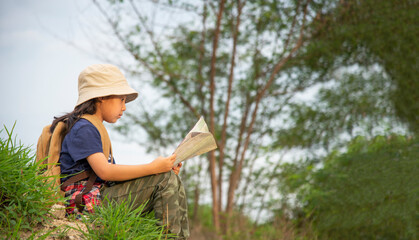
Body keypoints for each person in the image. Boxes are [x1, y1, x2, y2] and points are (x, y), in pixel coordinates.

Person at [50, 64, 189, 239]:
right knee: (164, 180)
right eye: (121, 100)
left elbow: (108, 178)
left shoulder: (93, 127)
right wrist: (154, 169)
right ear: (101, 96)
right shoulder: (84, 127)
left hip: (98, 196)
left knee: (170, 179)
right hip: (86, 202)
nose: (124, 107)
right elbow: (105, 171)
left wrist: (161, 169)